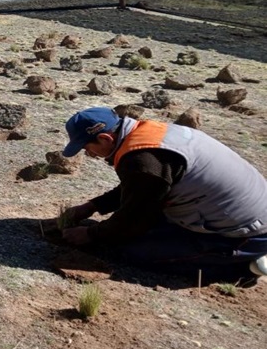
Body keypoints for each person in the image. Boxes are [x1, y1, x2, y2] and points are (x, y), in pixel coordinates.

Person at [57, 107, 267, 283]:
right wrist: (92, 206)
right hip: (241, 210)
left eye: (87, 148)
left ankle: (243, 268)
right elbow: (144, 187)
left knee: (132, 250)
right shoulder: (150, 133)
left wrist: (90, 234)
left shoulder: (143, 161)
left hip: (245, 234)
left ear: (104, 138)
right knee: (136, 229)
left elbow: (134, 218)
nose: (90, 154)